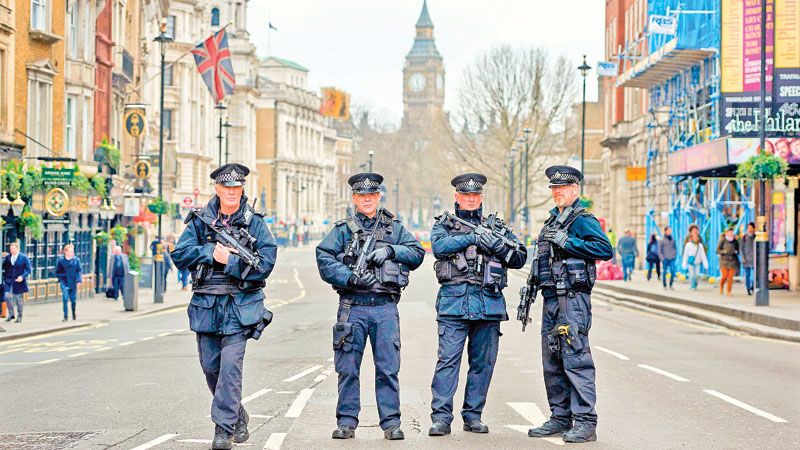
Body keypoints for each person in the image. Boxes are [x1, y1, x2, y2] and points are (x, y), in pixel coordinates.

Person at [172, 163, 277, 450]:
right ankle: (237, 414)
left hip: (241, 306)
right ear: (217, 189)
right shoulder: (200, 220)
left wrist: (229, 262)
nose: (231, 192)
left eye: (236, 188)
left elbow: (265, 264)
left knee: (230, 369)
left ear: (242, 189)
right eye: (226, 188)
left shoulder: (254, 221)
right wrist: (210, 252)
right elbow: (179, 255)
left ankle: (223, 430)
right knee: (211, 369)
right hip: (206, 305)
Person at [316, 172, 424, 441]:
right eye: (362, 196)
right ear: (354, 198)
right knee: (348, 369)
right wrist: (349, 276)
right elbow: (323, 257)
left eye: (372, 196)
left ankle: (390, 423)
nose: (367, 200)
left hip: (385, 307)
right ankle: (347, 422)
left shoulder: (394, 229)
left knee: (388, 368)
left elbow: (417, 252)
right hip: (353, 305)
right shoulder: (343, 229)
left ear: (378, 197)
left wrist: (391, 251)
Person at [428, 174, 527, 437]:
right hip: (454, 304)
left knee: (483, 364)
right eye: (466, 195)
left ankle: (473, 416)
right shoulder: (445, 225)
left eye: (476, 195)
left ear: (481, 198)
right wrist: (472, 237)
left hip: (489, 303)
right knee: (447, 362)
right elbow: (438, 247)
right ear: (457, 197)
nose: (471, 199)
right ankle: (441, 418)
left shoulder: (496, 226)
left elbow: (520, 256)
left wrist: (496, 243)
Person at [527, 166, 613, 443]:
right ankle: (560, 418)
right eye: (554, 188)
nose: (558, 192)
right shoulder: (552, 221)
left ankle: (586, 422)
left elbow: (604, 250)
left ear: (575, 190)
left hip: (573, 301)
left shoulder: (581, 220)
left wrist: (568, 241)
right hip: (551, 299)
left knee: (576, 360)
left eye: (562, 188)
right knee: (552, 361)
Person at [2, 243, 31, 323]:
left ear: (18, 249)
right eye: (11, 249)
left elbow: (28, 269)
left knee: (18, 299)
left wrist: (22, 276)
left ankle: (19, 316)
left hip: (19, 281)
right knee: (7, 296)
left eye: (13, 249)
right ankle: (11, 314)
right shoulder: (8, 258)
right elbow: (4, 267)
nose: (12, 251)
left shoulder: (24, 257)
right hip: (9, 280)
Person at [55, 245, 83, 321]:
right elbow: (57, 271)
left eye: (72, 251)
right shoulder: (61, 260)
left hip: (73, 282)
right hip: (64, 282)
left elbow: (79, 271)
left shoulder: (76, 260)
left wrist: (79, 280)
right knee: (65, 298)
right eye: (70, 251)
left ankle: (73, 313)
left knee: (73, 300)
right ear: (66, 252)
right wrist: (60, 279)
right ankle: (65, 316)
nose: (72, 252)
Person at [716, 228, 740, 296]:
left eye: (732, 232)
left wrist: (736, 252)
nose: (731, 234)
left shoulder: (735, 241)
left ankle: (728, 291)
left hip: (732, 261)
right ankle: (721, 286)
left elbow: (738, 249)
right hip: (724, 261)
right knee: (724, 276)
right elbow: (717, 250)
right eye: (729, 232)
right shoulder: (723, 241)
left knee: (730, 277)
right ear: (726, 233)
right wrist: (724, 252)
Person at [741, 222, 756, 295]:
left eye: (751, 228)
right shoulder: (744, 237)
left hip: (754, 259)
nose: (749, 229)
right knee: (747, 275)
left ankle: (753, 287)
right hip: (746, 259)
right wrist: (743, 258)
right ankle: (748, 289)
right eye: (748, 228)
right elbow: (741, 248)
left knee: (753, 276)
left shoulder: (756, 237)